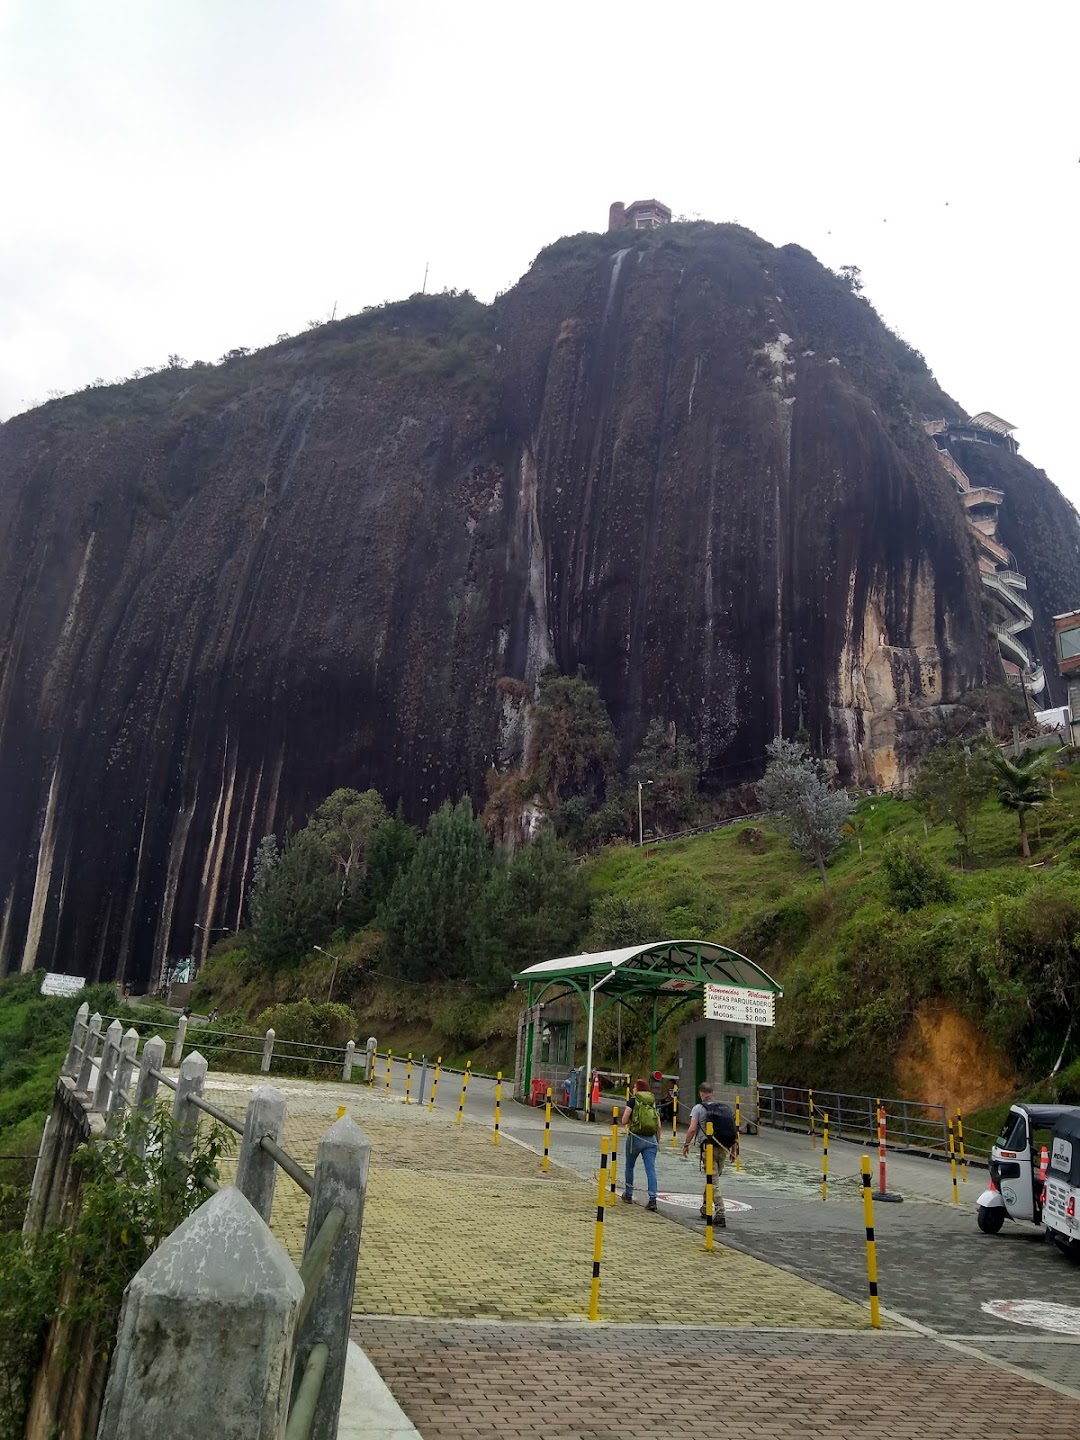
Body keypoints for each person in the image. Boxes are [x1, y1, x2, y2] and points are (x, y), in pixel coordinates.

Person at [682, 1082, 737, 1227]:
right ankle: (706, 1207)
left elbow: (692, 1129)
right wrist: (734, 1149)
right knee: (712, 1178)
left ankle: (720, 1214)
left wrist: (686, 1144)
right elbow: (732, 1129)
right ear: (712, 1093)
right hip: (724, 1147)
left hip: (709, 1148)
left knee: (712, 1182)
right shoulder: (724, 1108)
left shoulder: (698, 1108)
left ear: (701, 1093)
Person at [621, 1078, 662, 1210]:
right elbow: (659, 1125)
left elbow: (624, 1120)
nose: (633, 1089)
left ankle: (628, 1194)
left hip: (635, 1138)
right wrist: (657, 1141)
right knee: (650, 1170)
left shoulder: (633, 1101)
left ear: (637, 1089)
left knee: (630, 1165)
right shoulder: (652, 1102)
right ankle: (652, 1199)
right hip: (651, 1140)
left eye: (634, 1087)